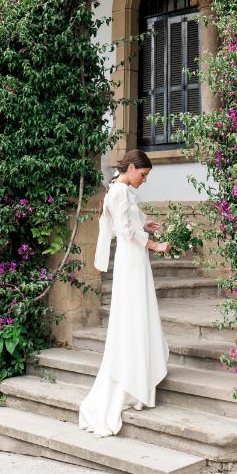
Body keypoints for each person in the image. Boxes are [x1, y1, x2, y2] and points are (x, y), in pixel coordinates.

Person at [78, 149, 170, 437]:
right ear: (131, 168)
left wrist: (146, 223)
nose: (144, 181)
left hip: (136, 257)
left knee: (139, 312)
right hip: (130, 259)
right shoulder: (118, 191)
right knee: (131, 312)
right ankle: (127, 377)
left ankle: (138, 373)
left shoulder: (125, 189)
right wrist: (155, 245)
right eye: (142, 175)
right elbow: (122, 229)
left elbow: (132, 221)